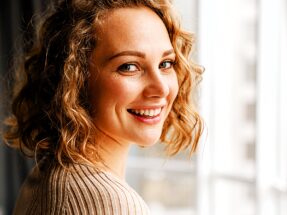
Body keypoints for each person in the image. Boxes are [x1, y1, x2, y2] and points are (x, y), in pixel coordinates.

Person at [3, 0, 203, 214]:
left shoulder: (47, 174)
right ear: (75, 80)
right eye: (129, 67)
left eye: (166, 63)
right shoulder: (109, 202)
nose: (161, 88)